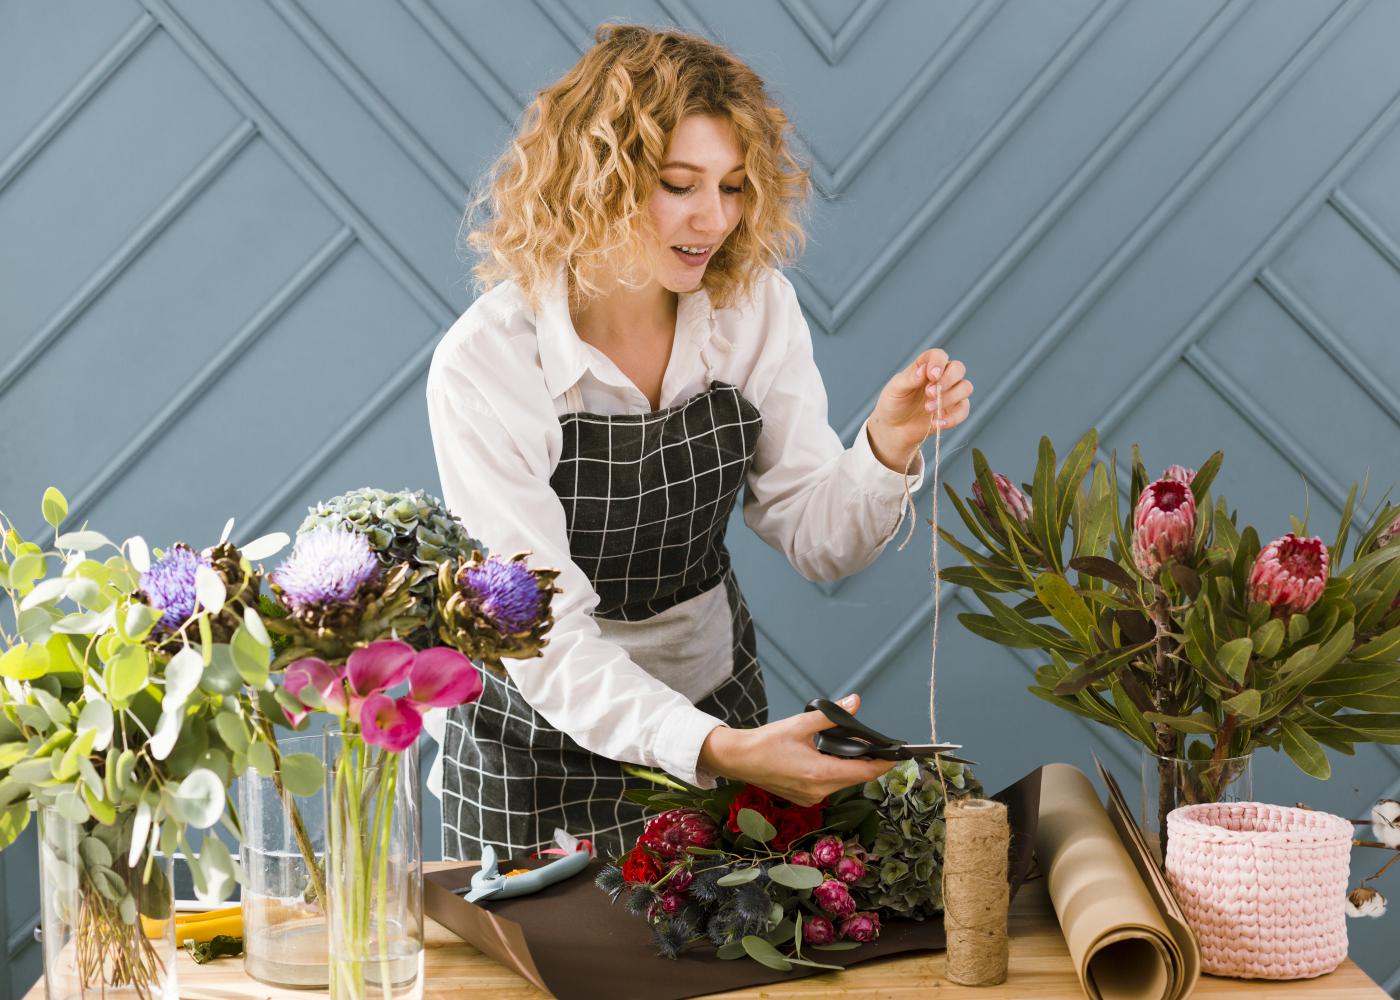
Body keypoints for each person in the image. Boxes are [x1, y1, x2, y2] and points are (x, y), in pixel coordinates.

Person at [424, 23, 973, 862]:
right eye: (679, 184)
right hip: (530, 741)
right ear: (593, 181)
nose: (712, 218)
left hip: (714, 703)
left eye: (735, 186)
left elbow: (817, 537)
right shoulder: (491, 361)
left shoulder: (752, 311)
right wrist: (718, 750)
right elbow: (548, 638)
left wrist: (886, 447)